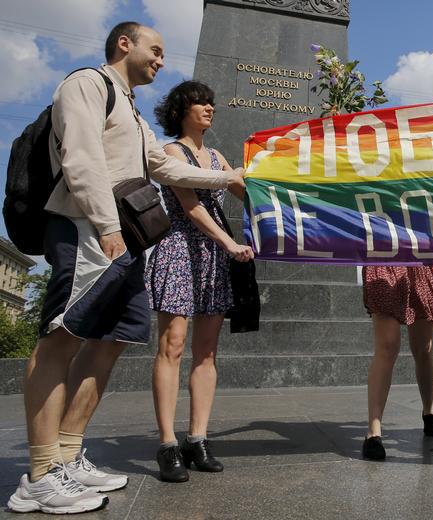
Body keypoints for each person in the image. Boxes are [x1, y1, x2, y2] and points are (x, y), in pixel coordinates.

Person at [7, 22, 246, 515]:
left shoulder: (134, 114)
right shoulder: (87, 84)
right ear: (124, 43)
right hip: (89, 230)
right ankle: (41, 472)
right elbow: (82, 158)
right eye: (155, 51)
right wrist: (106, 225)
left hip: (128, 241)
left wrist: (229, 176)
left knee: (110, 343)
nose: (161, 60)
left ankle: (70, 455)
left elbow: (169, 169)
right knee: (62, 338)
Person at [146, 81, 254, 483]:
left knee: (207, 353)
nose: (209, 107)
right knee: (172, 346)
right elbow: (190, 206)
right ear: (181, 110)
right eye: (200, 102)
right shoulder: (172, 151)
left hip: (214, 258)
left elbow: (247, 193)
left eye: (211, 102)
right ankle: (167, 443)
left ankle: (198, 438)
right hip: (180, 250)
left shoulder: (216, 155)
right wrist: (229, 241)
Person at [361, 266, 433, 460]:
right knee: (387, 345)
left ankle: (429, 411)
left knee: (423, 348)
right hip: (384, 253)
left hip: (418, 258)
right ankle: (373, 432)